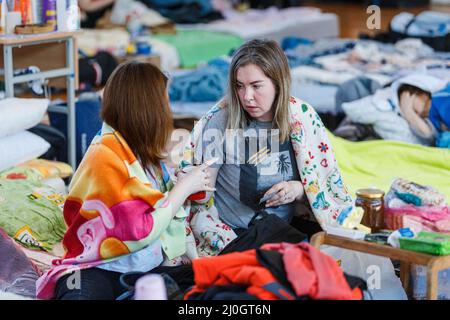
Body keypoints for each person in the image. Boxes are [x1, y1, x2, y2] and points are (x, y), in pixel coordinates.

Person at [36, 61, 215, 300]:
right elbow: (139, 230)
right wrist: (182, 189)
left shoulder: (140, 151)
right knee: (76, 293)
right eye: (164, 101)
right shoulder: (105, 154)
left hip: (143, 268)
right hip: (98, 267)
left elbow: (154, 205)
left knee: (215, 282)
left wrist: (180, 184)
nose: (168, 109)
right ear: (148, 108)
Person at [179, 39, 363, 256]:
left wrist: (297, 189)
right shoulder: (222, 120)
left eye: (256, 86)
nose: (247, 97)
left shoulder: (302, 117)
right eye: (239, 86)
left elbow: (323, 187)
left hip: (283, 231)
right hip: (231, 233)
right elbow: (203, 188)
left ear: (278, 83)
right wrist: (190, 181)